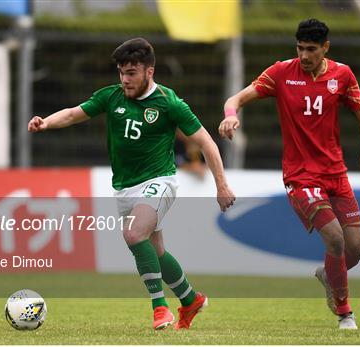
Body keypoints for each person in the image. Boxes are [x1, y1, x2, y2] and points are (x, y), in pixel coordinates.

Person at [29, 38, 236, 330]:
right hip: (124, 188)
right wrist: (46, 122)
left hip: (160, 181)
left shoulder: (168, 102)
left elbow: (206, 142)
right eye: (121, 72)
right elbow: (74, 113)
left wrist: (222, 186)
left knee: (133, 234)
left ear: (149, 72)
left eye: (132, 73)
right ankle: (190, 300)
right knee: (157, 252)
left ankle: (160, 308)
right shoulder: (111, 97)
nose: (125, 80)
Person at [219, 19, 360, 330]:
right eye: (300, 48)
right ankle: (345, 312)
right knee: (334, 238)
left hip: (335, 174)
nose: (304, 55)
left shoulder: (342, 75)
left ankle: (328, 274)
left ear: (325, 48)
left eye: (311, 49)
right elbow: (236, 99)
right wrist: (230, 117)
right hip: (300, 177)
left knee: (356, 249)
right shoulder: (281, 72)